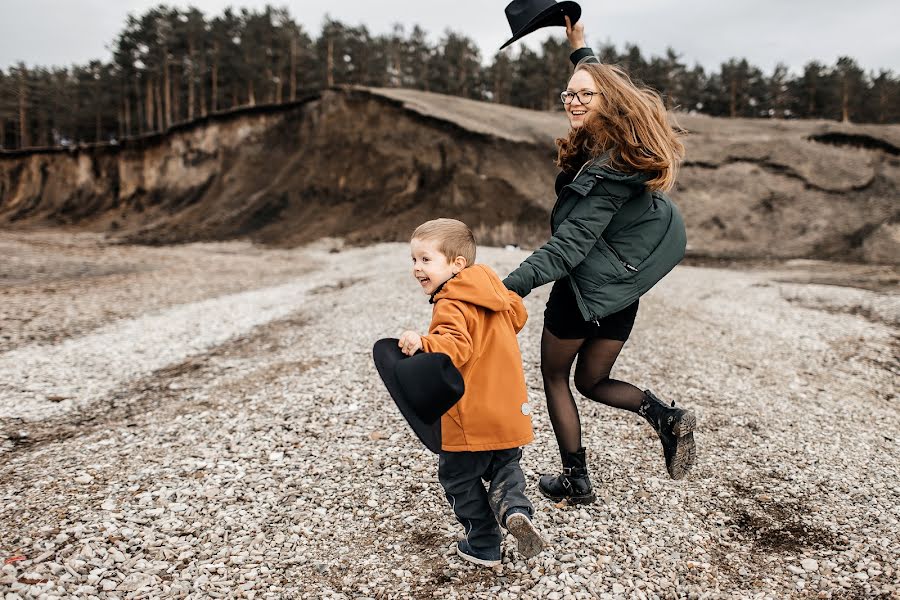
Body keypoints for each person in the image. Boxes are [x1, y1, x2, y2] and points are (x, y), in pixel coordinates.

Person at [501, 17, 696, 505]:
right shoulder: (623, 147)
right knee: (592, 380)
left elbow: (568, 247)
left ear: (606, 102)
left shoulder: (605, 174)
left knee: (554, 377)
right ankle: (664, 417)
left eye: (584, 95)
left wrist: (509, 287)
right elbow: (594, 79)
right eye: (568, 93)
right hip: (621, 293)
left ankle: (575, 480)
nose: (573, 100)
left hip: (584, 291)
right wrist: (579, 47)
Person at [398, 218, 546, 567]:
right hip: (509, 411)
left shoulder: (451, 300)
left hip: (471, 416)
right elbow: (518, 316)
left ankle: (483, 542)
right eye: (414, 260)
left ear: (457, 264)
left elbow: (456, 346)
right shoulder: (496, 294)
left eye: (426, 259)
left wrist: (424, 342)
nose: (417, 268)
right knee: (505, 465)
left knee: (458, 476)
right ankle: (513, 507)